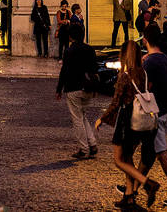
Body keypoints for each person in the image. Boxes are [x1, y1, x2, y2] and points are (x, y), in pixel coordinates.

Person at [121, 25, 167, 207]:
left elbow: (146, 87)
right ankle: (133, 187)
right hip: (165, 110)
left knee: (161, 152)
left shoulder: (149, 63)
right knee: (148, 153)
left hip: (153, 114)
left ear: (145, 40)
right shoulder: (166, 59)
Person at [96, 41, 159, 210]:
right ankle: (129, 196)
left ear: (125, 55)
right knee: (129, 157)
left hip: (127, 120)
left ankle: (148, 183)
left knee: (119, 159)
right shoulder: (143, 73)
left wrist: (102, 119)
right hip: (143, 121)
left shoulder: (125, 75)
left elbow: (116, 101)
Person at [55, 24, 98, 160]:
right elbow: (95, 70)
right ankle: (92, 144)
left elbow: (64, 71)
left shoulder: (69, 51)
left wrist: (59, 89)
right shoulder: (90, 49)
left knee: (77, 119)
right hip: (88, 88)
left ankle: (84, 149)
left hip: (73, 88)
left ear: (71, 36)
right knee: (83, 116)